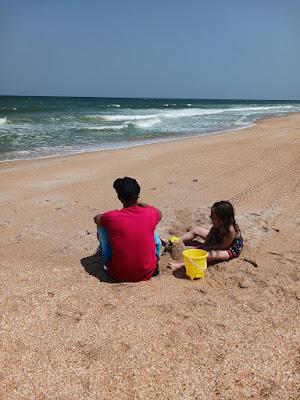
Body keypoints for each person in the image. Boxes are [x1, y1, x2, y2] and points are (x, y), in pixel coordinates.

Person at [94, 177, 162, 282]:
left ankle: (104, 253)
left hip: (118, 274)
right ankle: (151, 256)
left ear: (120, 197)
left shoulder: (113, 217)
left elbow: (96, 218)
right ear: (137, 195)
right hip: (150, 271)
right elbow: (159, 213)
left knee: (103, 224)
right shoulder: (150, 213)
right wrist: (139, 203)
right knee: (150, 224)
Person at [166, 200, 243, 270]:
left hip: (229, 248)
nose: (210, 217)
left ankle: (181, 265)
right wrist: (205, 244)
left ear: (222, 219)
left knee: (212, 255)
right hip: (218, 238)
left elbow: (223, 246)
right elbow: (212, 232)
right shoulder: (219, 223)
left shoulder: (230, 230)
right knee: (196, 230)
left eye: (213, 216)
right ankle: (175, 241)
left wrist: (208, 247)